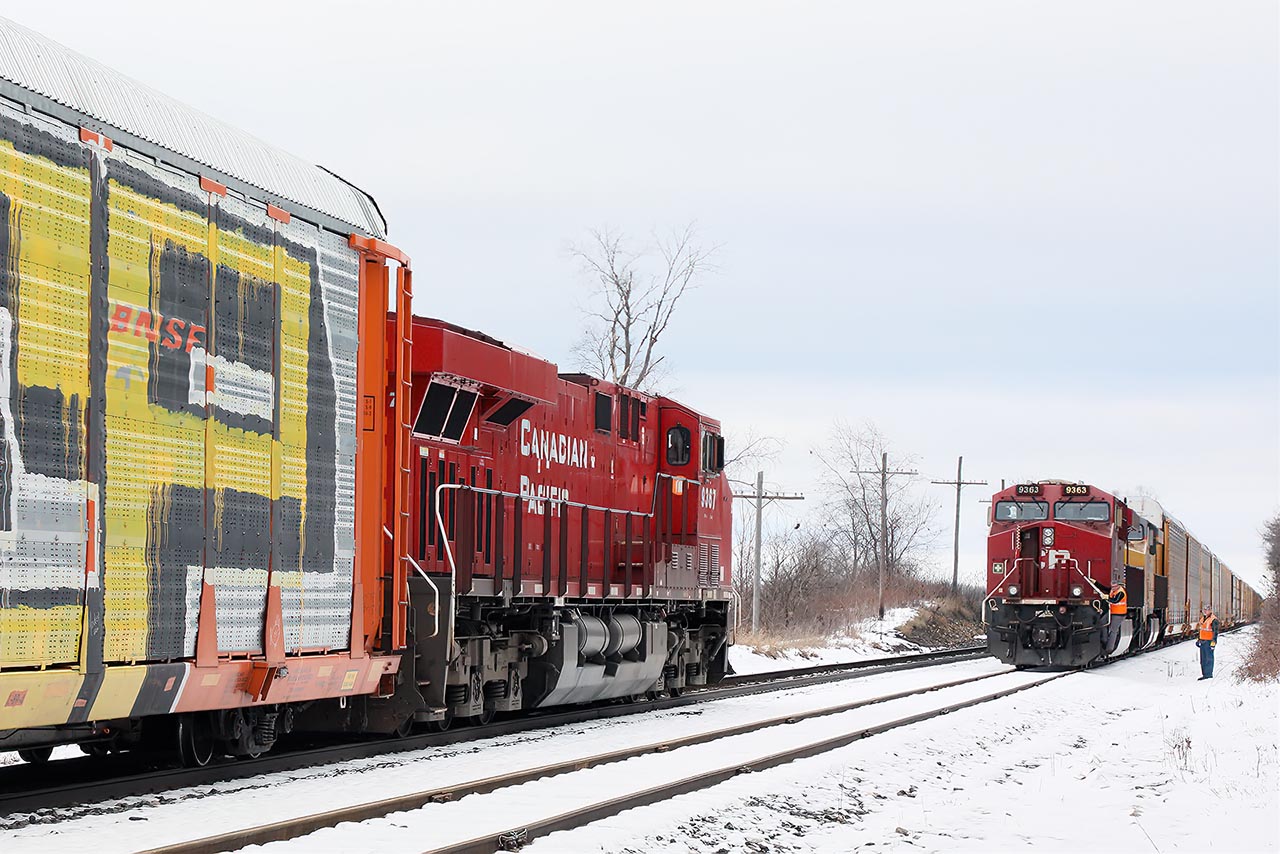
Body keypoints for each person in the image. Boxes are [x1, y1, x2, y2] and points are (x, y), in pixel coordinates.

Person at [1195, 605, 1220, 680]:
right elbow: (1201, 630)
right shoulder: (1203, 619)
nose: (1205, 611)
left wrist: (1214, 642)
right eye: (1204, 610)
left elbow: (1215, 632)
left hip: (1209, 642)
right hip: (1203, 641)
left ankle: (1208, 674)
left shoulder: (1214, 620)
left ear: (1210, 611)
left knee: (1209, 658)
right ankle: (1204, 674)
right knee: (1203, 659)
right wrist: (1198, 639)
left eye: (1207, 610)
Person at [1105, 583, 1127, 654]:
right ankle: (1105, 643)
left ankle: (1109, 649)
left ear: (1119, 586)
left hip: (1119, 614)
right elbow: (1104, 588)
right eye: (1112, 586)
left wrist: (1106, 598)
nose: (1113, 588)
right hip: (1112, 613)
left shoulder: (1121, 593)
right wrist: (1095, 582)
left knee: (1113, 631)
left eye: (1114, 586)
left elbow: (1115, 601)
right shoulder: (1113, 590)